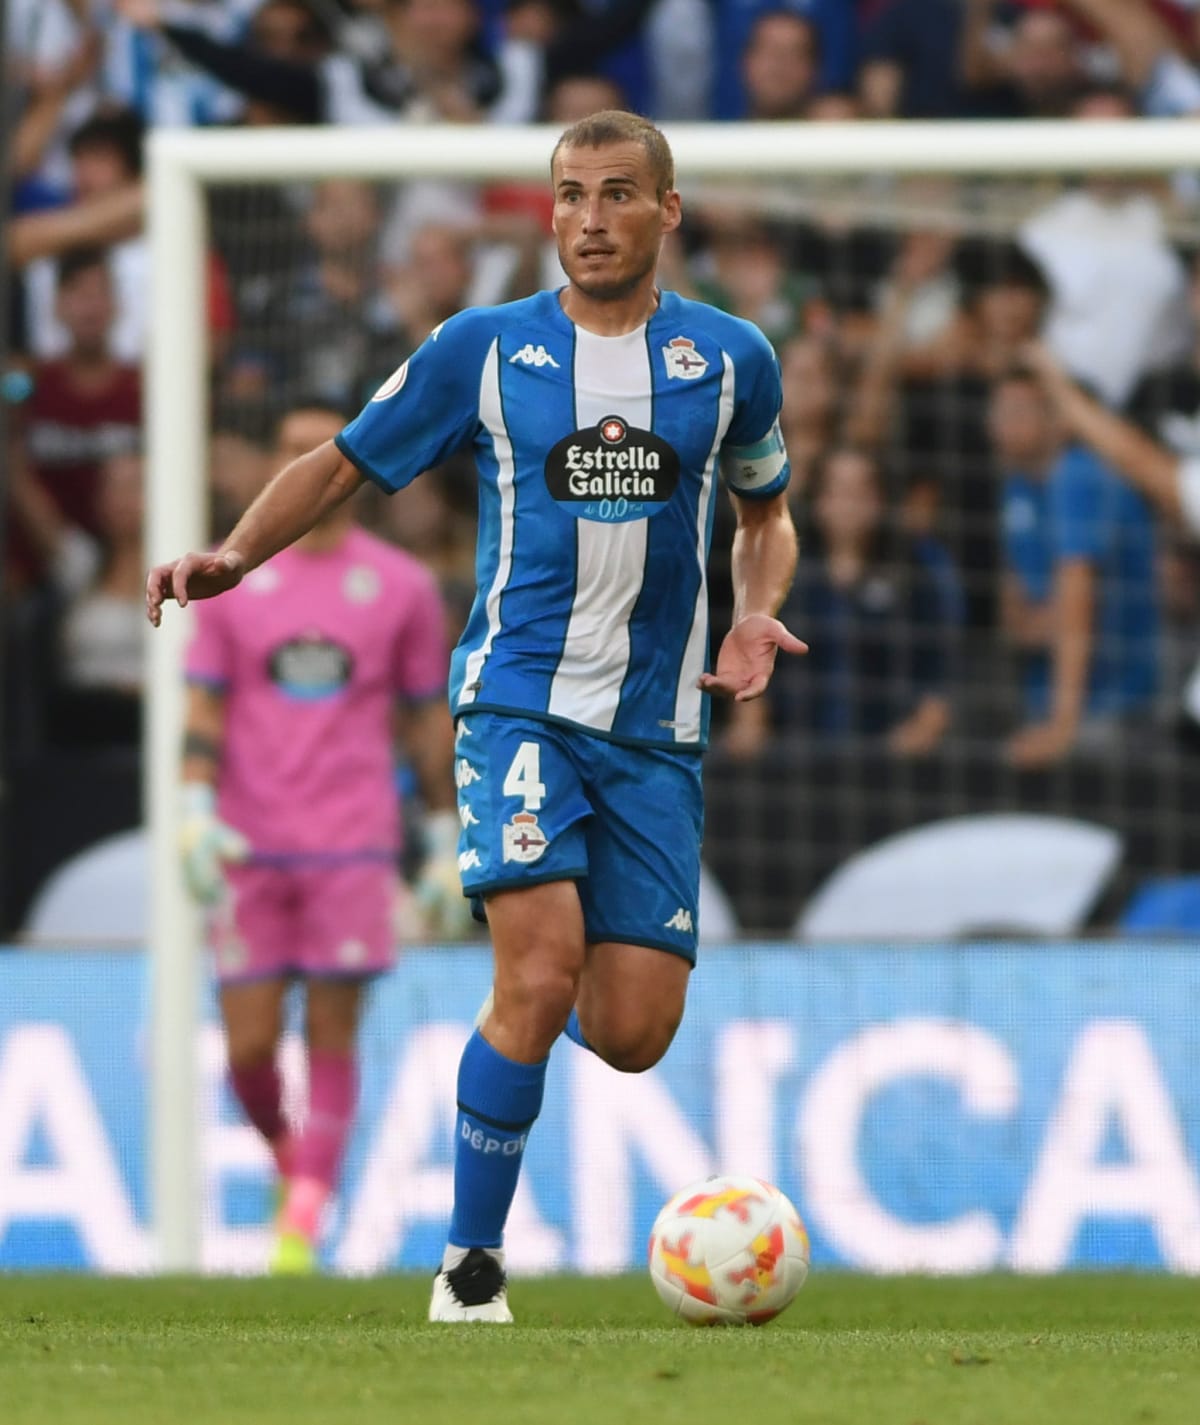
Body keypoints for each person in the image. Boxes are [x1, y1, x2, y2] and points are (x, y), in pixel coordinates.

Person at [147, 111, 804, 1321]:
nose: (589, 219)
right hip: (517, 708)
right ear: (547, 211)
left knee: (634, 1029)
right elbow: (344, 462)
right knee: (539, 974)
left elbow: (766, 512)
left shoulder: (732, 360)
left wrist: (755, 611)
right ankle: (469, 1270)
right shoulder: (484, 348)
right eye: (568, 195)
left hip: (657, 732)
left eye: (616, 195)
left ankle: (499, 1078)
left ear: (668, 212)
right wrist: (238, 553)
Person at [177, 402, 460, 1275]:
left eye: (324, 450)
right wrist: (193, 807)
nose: (310, 461)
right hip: (249, 845)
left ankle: (299, 1226)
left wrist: (447, 836)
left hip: (352, 842)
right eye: (292, 448)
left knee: (332, 1034)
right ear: (273, 463)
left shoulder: (402, 586)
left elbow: (423, 721)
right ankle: (289, 1162)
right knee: (250, 1049)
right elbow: (204, 707)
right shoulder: (233, 580)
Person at [988, 368, 1159, 768]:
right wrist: (1049, 620)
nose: (1000, 424)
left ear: (1058, 420)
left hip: (1110, 709)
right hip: (1047, 698)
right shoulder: (1017, 485)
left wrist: (1063, 726)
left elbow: (1077, 606)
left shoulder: (1077, 473)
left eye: (1017, 411)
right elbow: (1014, 620)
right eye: (997, 412)